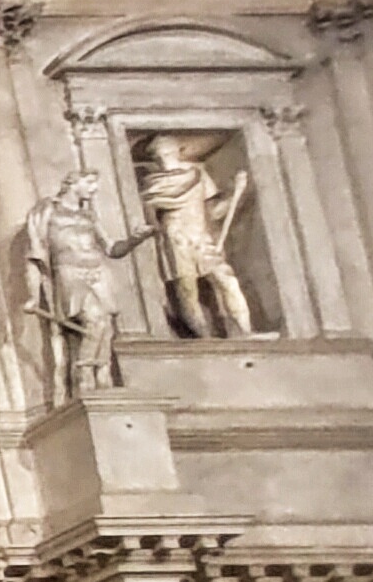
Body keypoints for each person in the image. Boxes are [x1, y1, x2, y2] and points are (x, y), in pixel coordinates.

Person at [22, 169, 140, 401]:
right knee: (93, 319)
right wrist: (33, 295)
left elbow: (112, 249)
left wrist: (137, 239)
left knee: (106, 325)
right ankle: (84, 377)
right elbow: (35, 253)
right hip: (69, 271)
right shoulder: (47, 210)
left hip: (98, 271)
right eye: (90, 183)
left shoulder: (89, 216)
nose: (94, 189)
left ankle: (102, 376)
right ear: (73, 183)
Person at [131, 133, 259, 338]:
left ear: (178, 152)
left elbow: (213, 212)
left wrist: (235, 193)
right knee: (187, 289)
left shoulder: (197, 176)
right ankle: (204, 337)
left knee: (227, 280)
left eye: (166, 151)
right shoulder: (151, 183)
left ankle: (245, 330)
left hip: (201, 236)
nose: (162, 157)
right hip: (175, 239)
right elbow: (150, 220)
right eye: (157, 154)